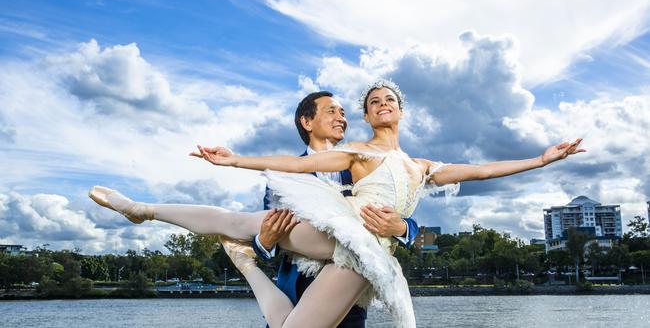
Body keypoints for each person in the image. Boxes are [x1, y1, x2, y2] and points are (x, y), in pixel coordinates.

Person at [89, 79, 585, 327]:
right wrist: (235, 161)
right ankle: (143, 209)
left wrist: (540, 161)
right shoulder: (357, 155)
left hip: (362, 258)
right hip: (317, 241)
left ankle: (244, 268)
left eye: (387, 100)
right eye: (370, 103)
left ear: (402, 111)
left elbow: (479, 171)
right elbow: (295, 167)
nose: (378, 106)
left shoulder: (421, 166)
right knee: (242, 219)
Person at [251, 91, 419, 328]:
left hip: (350, 303)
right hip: (295, 301)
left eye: (343, 112)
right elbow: (266, 234)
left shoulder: (365, 168)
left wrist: (401, 227)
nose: (341, 118)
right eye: (332, 111)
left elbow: (407, 217)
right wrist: (264, 243)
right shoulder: (284, 177)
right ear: (306, 122)